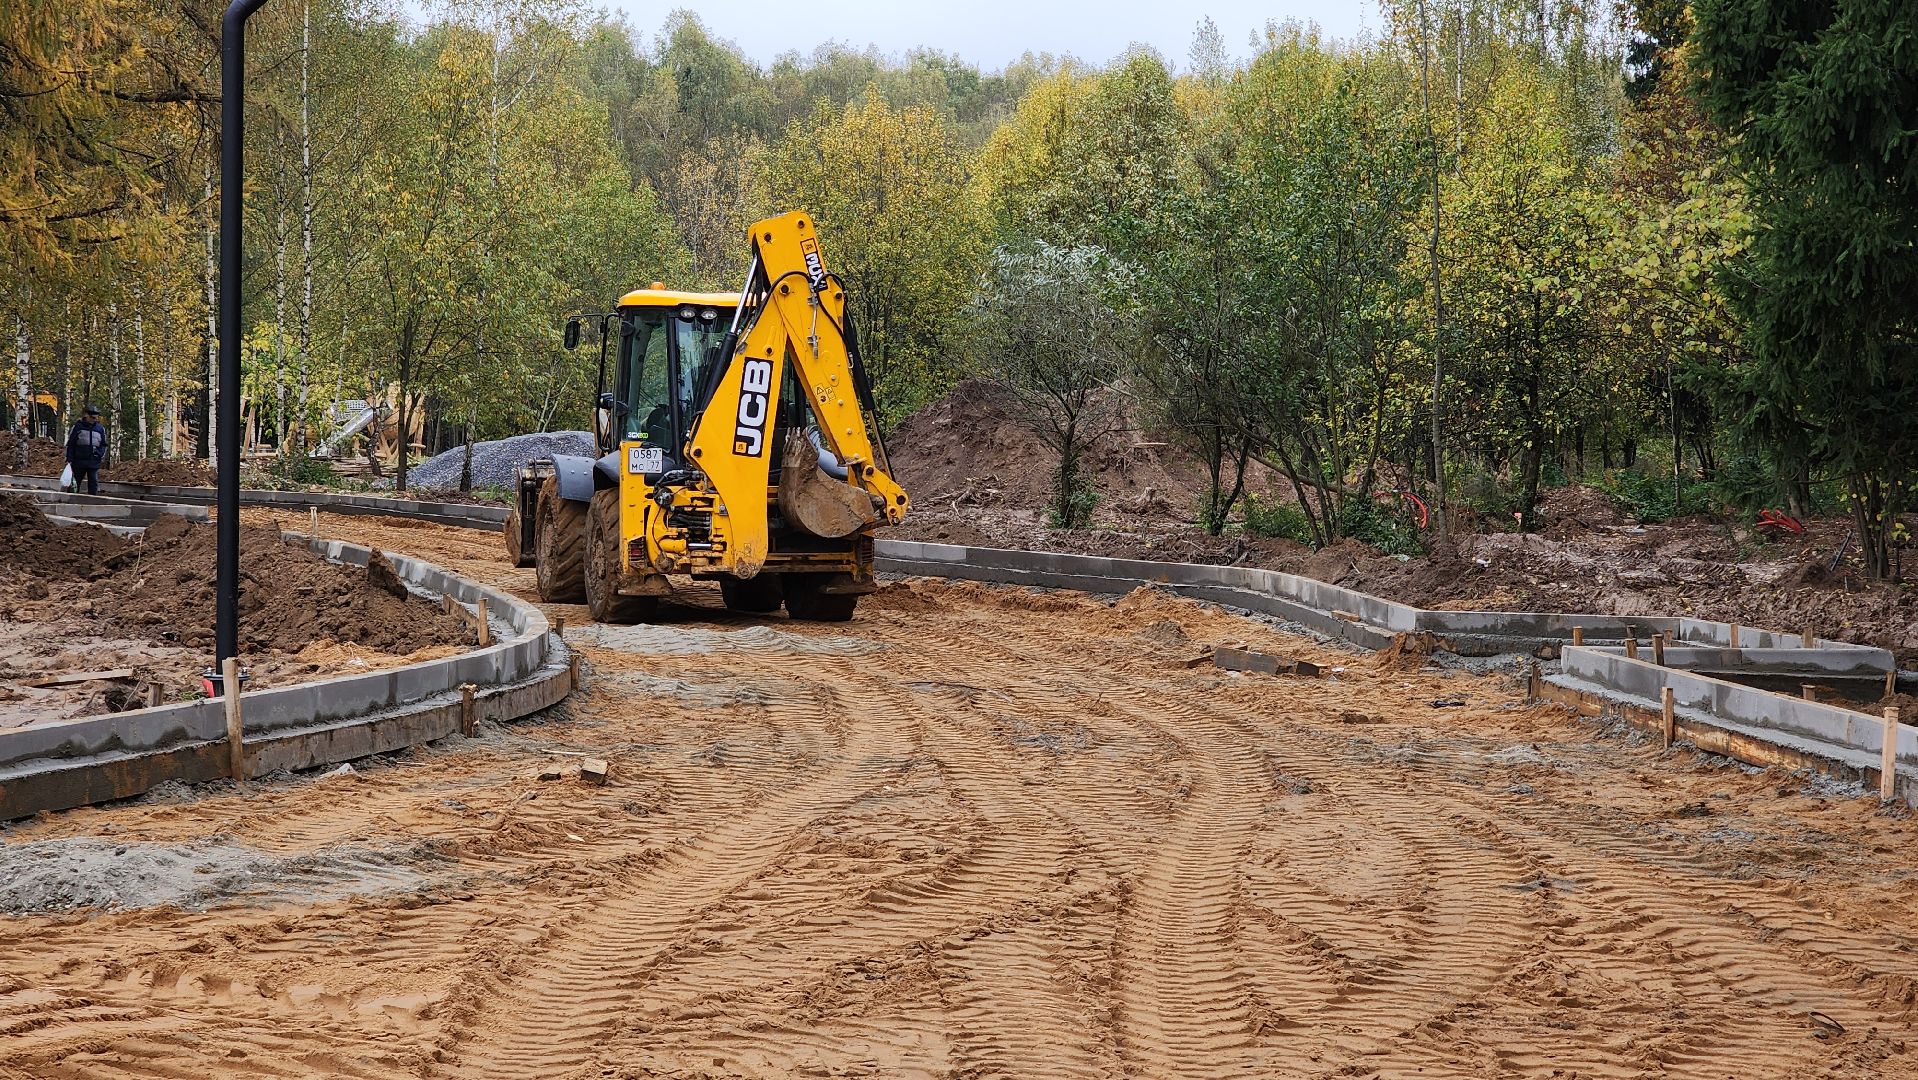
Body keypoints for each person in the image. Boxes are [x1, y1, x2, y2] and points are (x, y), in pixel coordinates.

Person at [64, 405, 108, 495]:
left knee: (93, 482)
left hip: (93, 461)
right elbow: (71, 444)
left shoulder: (100, 429)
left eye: (96, 417)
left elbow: (104, 444)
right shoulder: (77, 427)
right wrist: (69, 459)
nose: (94, 419)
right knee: (75, 483)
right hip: (79, 461)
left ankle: (93, 502)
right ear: (86, 415)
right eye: (92, 417)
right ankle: (71, 500)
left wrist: (99, 454)